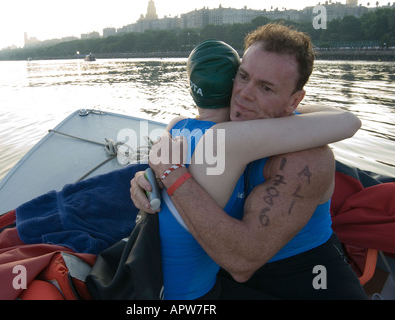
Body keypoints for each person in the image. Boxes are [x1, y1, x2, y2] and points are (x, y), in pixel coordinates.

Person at [131, 24, 368, 299]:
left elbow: (242, 261)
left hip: (302, 277)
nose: (244, 94)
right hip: (222, 268)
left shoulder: (307, 159)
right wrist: (148, 181)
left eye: (266, 88)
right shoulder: (230, 125)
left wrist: (171, 174)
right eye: (242, 76)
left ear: (294, 101)